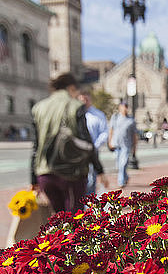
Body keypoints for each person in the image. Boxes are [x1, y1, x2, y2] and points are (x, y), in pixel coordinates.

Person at [31, 73, 108, 213]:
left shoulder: (38, 107)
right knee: (74, 222)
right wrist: (100, 170)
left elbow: (36, 147)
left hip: (45, 172)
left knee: (57, 221)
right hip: (72, 172)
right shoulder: (76, 106)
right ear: (71, 88)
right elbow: (87, 143)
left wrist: (33, 179)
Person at [78, 89, 108, 195]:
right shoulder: (75, 114)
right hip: (77, 152)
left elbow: (104, 132)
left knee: (91, 178)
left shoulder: (98, 115)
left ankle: (89, 202)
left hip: (92, 150)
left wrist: (95, 145)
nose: (84, 101)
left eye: (86, 99)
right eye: (82, 99)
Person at [108, 100, 137, 189]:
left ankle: (120, 182)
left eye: (125, 106)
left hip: (126, 145)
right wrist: (110, 141)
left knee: (123, 163)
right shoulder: (115, 117)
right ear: (119, 107)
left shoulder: (131, 120)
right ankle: (126, 177)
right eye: (122, 106)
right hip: (116, 144)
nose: (124, 108)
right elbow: (111, 130)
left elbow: (134, 135)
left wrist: (134, 148)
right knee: (119, 164)